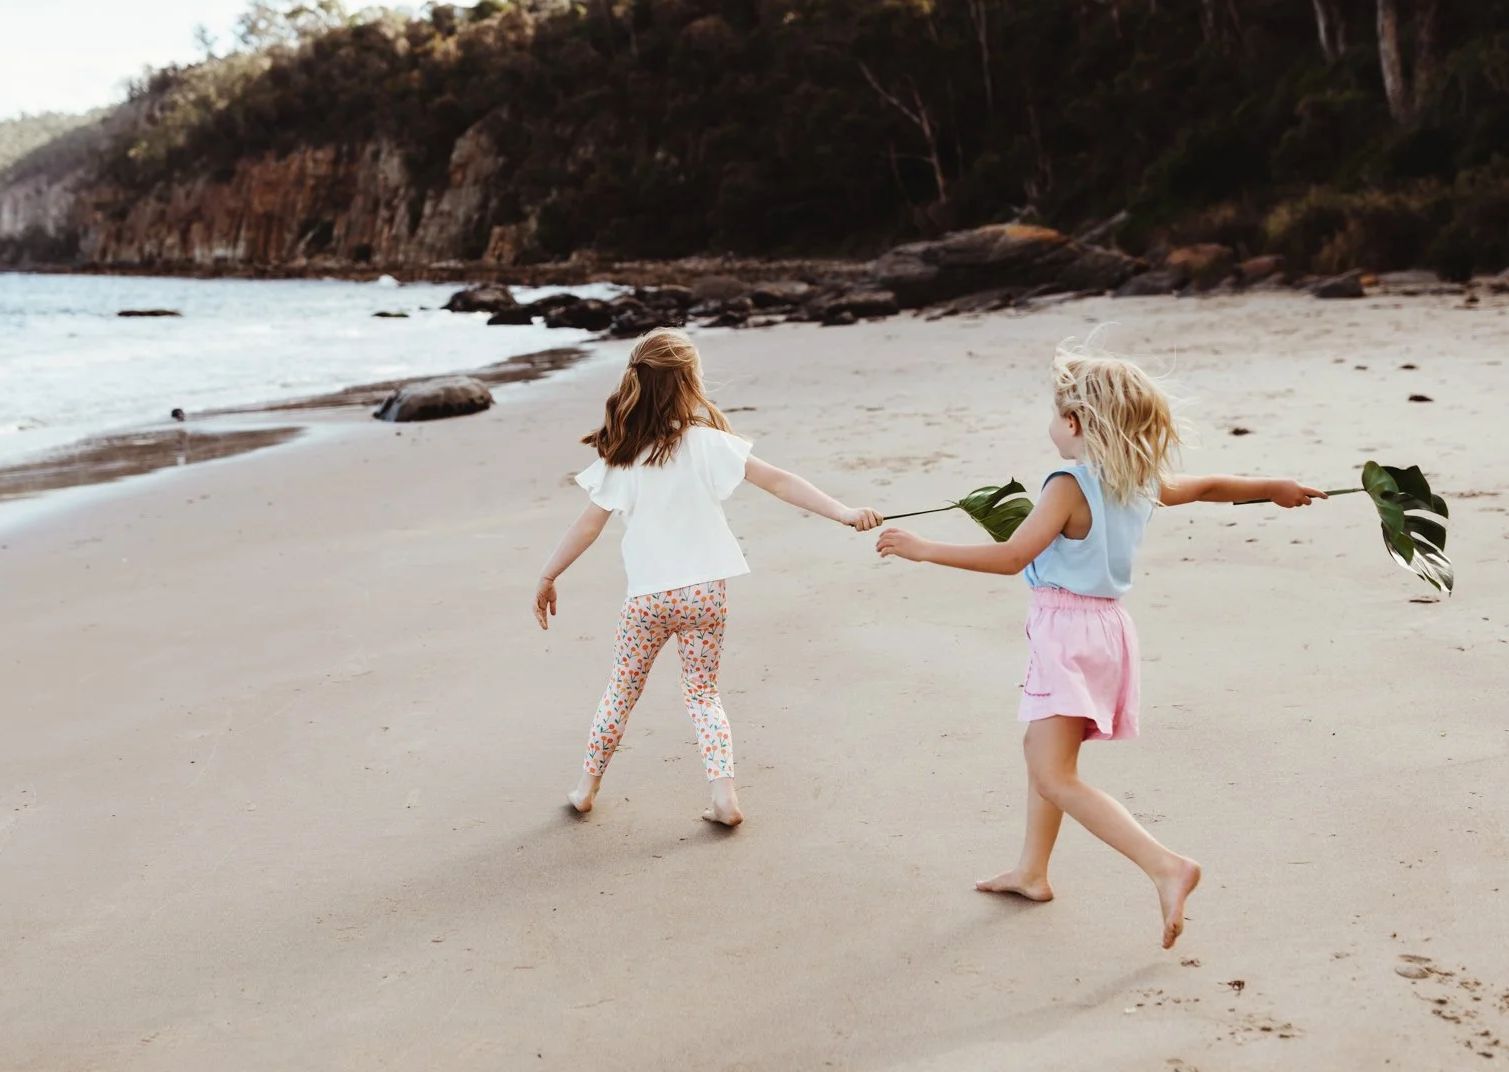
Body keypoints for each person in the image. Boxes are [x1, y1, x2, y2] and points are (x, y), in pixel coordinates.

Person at [876, 344, 1325, 947]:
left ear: (1079, 423)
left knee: (1053, 774)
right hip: (1106, 630)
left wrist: (924, 548)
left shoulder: (1069, 484)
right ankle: (1033, 872)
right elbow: (1213, 485)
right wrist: (1275, 487)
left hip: (1067, 632)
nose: (1051, 425)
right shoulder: (1137, 480)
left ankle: (1167, 866)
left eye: (1057, 414)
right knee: (1043, 753)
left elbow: (1013, 558)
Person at [533, 329, 881, 826]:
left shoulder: (622, 457)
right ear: (689, 383)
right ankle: (723, 797)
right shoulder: (707, 443)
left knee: (621, 691)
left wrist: (548, 575)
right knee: (702, 693)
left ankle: (586, 789)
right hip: (705, 595)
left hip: (648, 601)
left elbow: (586, 528)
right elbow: (780, 482)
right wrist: (843, 512)